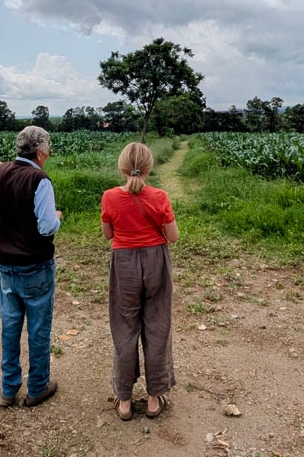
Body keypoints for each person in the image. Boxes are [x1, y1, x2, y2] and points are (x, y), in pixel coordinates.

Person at [101, 142, 179, 421]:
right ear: (149, 166)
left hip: (123, 263)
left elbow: (108, 234)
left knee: (125, 329)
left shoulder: (109, 196)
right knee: (157, 326)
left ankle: (124, 400)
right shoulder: (160, 196)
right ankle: (154, 398)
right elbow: (173, 236)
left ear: (123, 166)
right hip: (155, 261)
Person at [0, 125, 62, 408]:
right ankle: (37, 388)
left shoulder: (0, 171)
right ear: (41, 151)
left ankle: (8, 389)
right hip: (36, 265)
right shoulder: (39, 179)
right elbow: (45, 227)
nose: (49, 153)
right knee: (39, 329)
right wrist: (57, 216)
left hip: (6, 267)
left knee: (10, 327)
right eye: (48, 149)